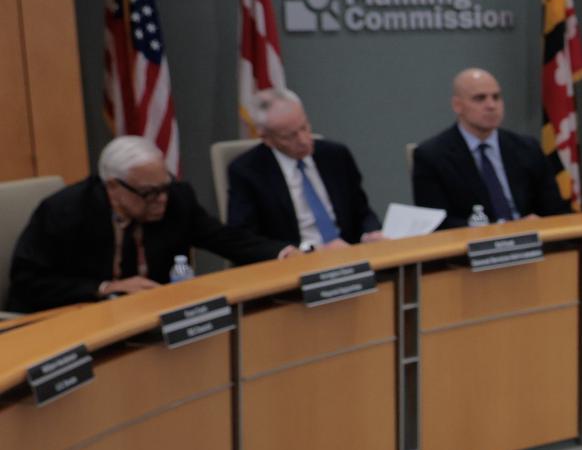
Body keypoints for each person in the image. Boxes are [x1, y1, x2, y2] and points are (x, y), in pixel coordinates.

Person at [7, 136, 291, 312]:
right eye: (149, 193)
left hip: (148, 319)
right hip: (74, 318)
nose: (162, 200)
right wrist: (104, 287)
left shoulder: (176, 198)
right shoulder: (67, 211)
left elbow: (224, 238)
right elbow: (28, 281)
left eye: (165, 186)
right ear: (113, 188)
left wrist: (284, 254)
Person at [412, 67, 571, 228]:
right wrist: (500, 230)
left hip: (533, 243)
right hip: (472, 247)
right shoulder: (431, 156)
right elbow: (437, 224)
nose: (491, 105)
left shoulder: (527, 148)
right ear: (457, 105)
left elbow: (555, 210)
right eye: (479, 98)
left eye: (496, 97)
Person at [225, 88, 382, 249]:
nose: (303, 140)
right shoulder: (247, 171)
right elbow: (244, 238)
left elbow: (361, 212)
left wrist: (369, 233)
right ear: (267, 138)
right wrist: (309, 251)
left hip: (348, 254)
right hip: (295, 264)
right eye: (289, 136)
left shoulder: (335, 155)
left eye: (304, 127)